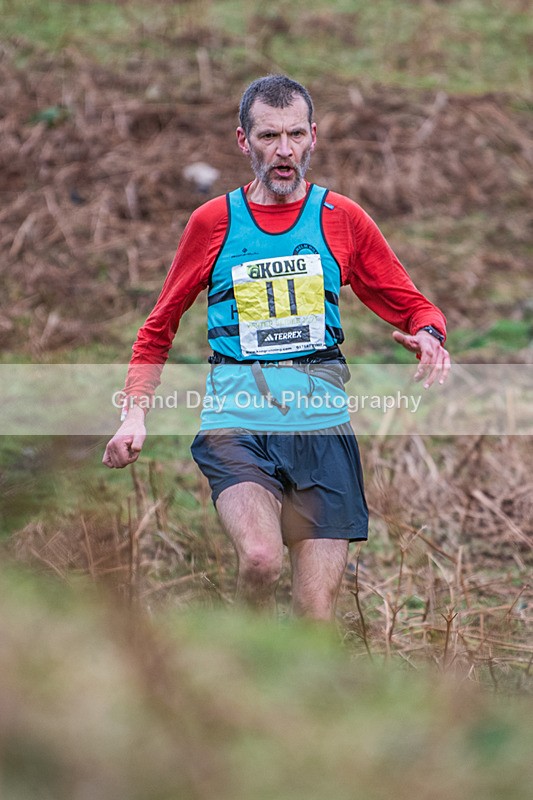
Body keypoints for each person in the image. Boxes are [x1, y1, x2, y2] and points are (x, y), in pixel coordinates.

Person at [103, 75, 450, 621]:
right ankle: (247, 657)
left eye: (293, 135)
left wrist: (430, 336)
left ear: (313, 136)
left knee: (315, 614)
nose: (283, 151)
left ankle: (284, 693)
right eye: (268, 136)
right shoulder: (213, 222)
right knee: (261, 560)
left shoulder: (342, 220)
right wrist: (134, 413)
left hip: (322, 426)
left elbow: (413, 304)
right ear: (244, 141)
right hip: (237, 420)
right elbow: (159, 325)